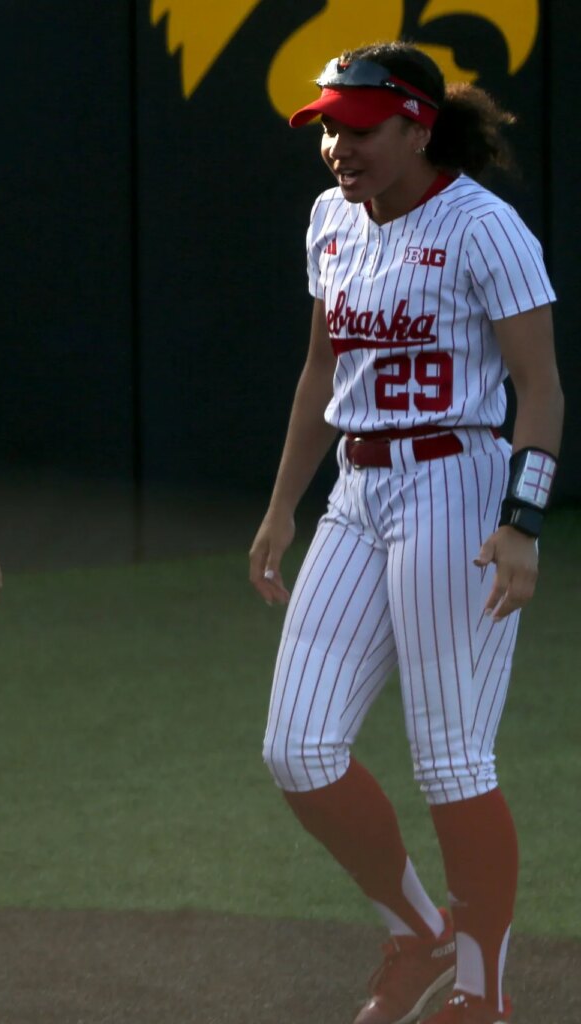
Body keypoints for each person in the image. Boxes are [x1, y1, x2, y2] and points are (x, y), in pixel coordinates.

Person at [251, 41, 561, 1024]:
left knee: (453, 759)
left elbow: (540, 385)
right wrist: (281, 505)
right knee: (297, 747)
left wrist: (523, 520)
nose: (341, 145)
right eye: (331, 127)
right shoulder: (331, 218)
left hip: (457, 487)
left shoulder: (483, 227)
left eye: (361, 126)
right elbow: (319, 372)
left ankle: (483, 990)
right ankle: (416, 927)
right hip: (357, 489)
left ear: (418, 124)